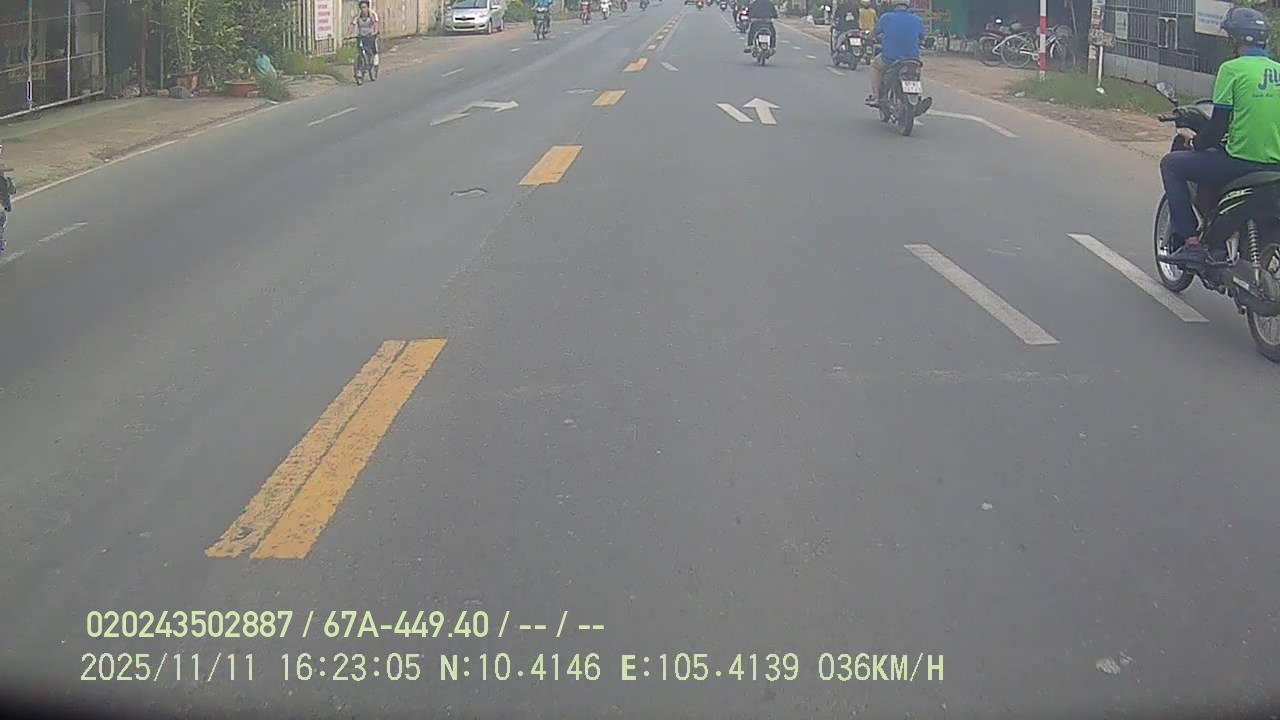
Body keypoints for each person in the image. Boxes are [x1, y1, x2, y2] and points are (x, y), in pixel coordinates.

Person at [1160, 7, 1280, 266]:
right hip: (1276, 167)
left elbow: (1218, 128)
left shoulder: (1232, 70)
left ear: (1235, 39)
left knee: (1171, 164)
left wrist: (1196, 142)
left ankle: (1191, 242)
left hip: (1241, 163)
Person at [866, 0, 921, 106]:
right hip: (913, 59)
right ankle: (916, 96)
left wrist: (870, 37)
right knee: (915, 73)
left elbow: (873, 33)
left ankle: (876, 97)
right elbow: (921, 36)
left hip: (890, 58)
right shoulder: (917, 19)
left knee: (874, 66)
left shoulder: (886, 18)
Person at [350, 0, 379, 67]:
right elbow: (352, 25)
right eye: (361, 8)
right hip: (361, 35)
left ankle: (375, 60)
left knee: (373, 47)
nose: (363, 9)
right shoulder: (358, 16)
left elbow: (376, 24)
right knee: (359, 49)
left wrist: (375, 32)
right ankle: (360, 65)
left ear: (368, 7)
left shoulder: (372, 15)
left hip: (370, 35)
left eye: (364, 7)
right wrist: (349, 35)